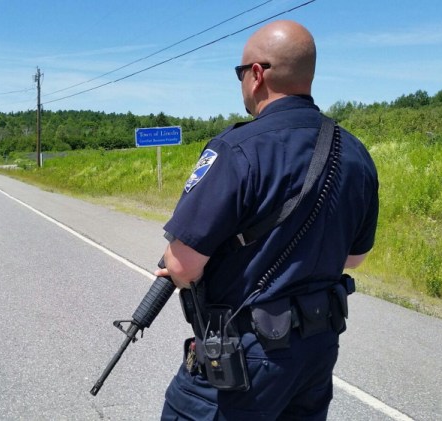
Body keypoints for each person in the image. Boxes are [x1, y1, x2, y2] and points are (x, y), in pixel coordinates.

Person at [155, 20, 379, 420]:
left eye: (241, 73)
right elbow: (353, 258)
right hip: (317, 349)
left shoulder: (237, 149)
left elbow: (182, 265)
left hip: (244, 358)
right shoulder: (355, 153)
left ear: (257, 74)